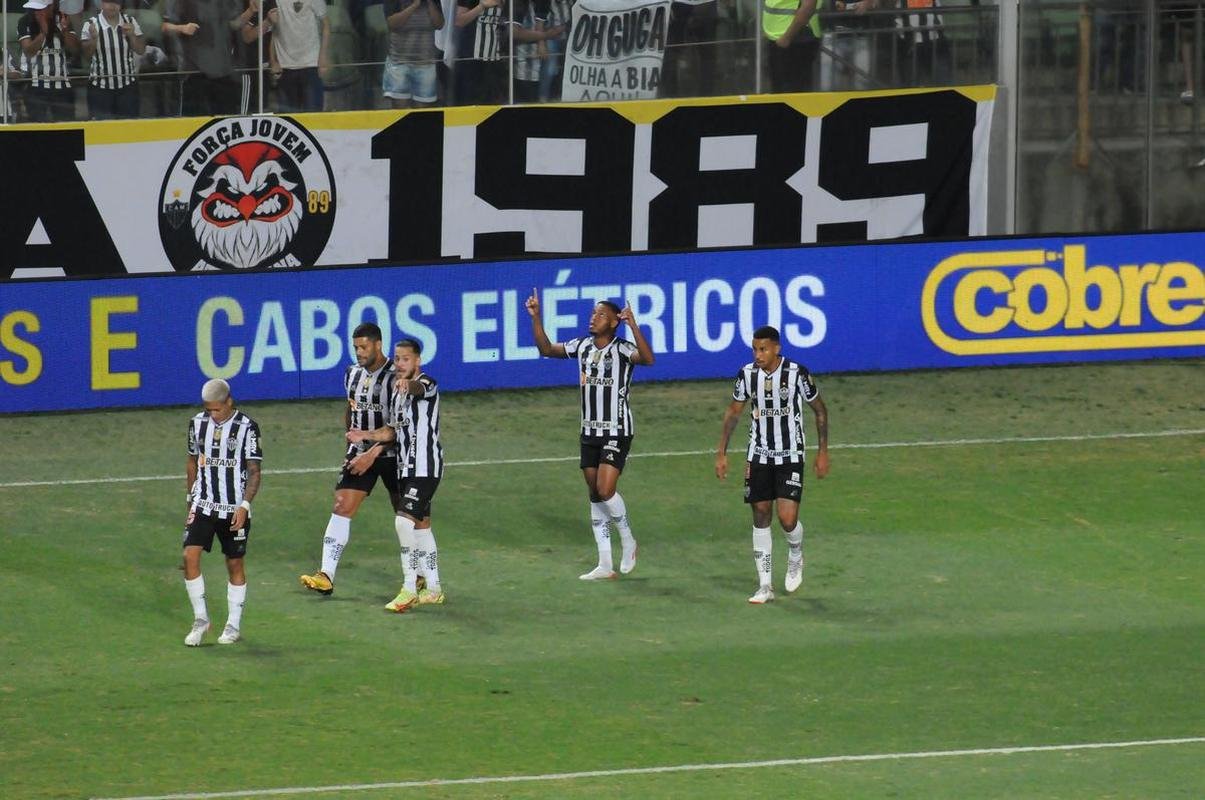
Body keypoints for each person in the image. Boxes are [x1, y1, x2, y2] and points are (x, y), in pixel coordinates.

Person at [525, 291, 655, 580]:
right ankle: (605, 564)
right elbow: (546, 349)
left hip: (617, 430)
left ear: (613, 322)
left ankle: (628, 540)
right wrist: (536, 317)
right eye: (593, 313)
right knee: (595, 494)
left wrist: (633, 325)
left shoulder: (622, 349)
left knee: (606, 489)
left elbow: (647, 358)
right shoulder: (582, 346)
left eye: (601, 315)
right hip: (589, 431)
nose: (593, 318)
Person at [714, 326, 828, 604]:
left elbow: (820, 410)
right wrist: (721, 452)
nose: (758, 355)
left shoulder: (797, 373)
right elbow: (734, 411)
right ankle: (765, 586)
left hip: (790, 455)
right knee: (761, 515)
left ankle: (796, 553)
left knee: (787, 520)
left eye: (763, 349)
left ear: (777, 348)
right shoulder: (747, 375)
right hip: (759, 455)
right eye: (754, 349)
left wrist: (823, 452)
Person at [300, 322, 408, 596]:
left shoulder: (396, 378)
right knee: (342, 505)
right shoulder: (351, 373)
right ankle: (326, 575)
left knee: (406, 515)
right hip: (360, 453)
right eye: (356, 347)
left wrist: (374, 451)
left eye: (364, 347)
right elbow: (351, 409)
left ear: (378, 345)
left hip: (395, 454)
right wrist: (351, 441)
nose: (359, 352)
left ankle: (418, 575)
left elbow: (402, 425)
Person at [345, 339, 446, 611]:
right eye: (397, 359)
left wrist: (407, 385)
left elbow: (418, 388)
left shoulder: (427, 383)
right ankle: (434, 589)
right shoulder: (396, 394)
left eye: (406, 359)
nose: (400, 364)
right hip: (405, 468)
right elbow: (391, 431)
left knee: (403, 523)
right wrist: (364, 434)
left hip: (425, 467)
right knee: (421, 526)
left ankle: (409, 588)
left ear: (417, 361)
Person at [182, 378, 263, 645]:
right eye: (208, 410)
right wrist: (190, 498)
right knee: (189, 556)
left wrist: (245, 506)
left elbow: (254, 471)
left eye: (217, 409)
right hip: (203, 504)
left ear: (229, 401)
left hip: (233, 508)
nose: (213, 415)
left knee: (234, 563)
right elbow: (192, 461)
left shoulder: (247, 428)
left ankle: (233, 625)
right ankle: (201, 620)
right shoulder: (196, 424)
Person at [163, 0, 260, 116]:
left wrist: (250, 11)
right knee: (195, 121)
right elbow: (165, 27)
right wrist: (182, 28)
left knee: (224, 120)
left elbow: (234, 24)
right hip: (194, 72)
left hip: (223, 72)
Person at [80, 0, 147, 120]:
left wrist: (132, 35)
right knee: (102, 129)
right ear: (101, 3)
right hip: (99, 88)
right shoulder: (90, 24)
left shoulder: (130, 21)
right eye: (108, 1)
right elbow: (86, 56)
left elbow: (141, 50)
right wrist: (94, 39)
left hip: (127, 87)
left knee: (128, 127)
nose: (112, 6)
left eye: (116, 2)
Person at [17, 0, 79, 122]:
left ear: (50, 7)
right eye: (34, 9)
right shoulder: (25, 21)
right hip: (36, 83)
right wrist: (43, 33)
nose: (36, 12)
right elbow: (29, 52)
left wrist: (65, 30)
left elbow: (75, 50)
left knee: (66, 126)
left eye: (39, 9)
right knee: (38, 127)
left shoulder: (62, 19)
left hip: (62, 83)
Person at [265, 0, 330, 112]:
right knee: (288, 119)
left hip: (311, 65)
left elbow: (326, 25)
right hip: (285, 67)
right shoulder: (275, 1)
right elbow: (272, 32)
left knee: (313, 117)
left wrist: (322, 57)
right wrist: (273, 61)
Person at [382, 0, 445, 108]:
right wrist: (414, 5)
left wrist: (430, 3)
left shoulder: (433, 2)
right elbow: (391, 24)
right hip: (399, 61)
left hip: (426, 62)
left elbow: (439, 24)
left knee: (422, 107)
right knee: (399, 106)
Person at [762, 0, 821, 94]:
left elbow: (808, 7)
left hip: (794, 40)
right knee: (780, 89)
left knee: (793, 91)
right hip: (782, 39)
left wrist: (786, 38)